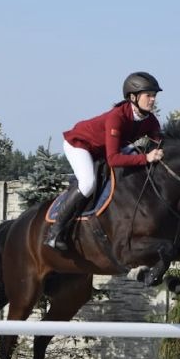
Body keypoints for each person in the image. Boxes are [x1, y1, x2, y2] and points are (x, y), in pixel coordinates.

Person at [45, 71, 165, 251]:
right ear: (133, 97)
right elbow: (113, 159)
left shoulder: (150, 120)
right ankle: (55, 231)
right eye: (148, 95)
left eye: (154, 96)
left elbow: (159, 143)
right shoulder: (117, 117)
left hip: (104, 149)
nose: (153, 99)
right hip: (80, 145)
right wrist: (146, 158)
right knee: (88, 184)